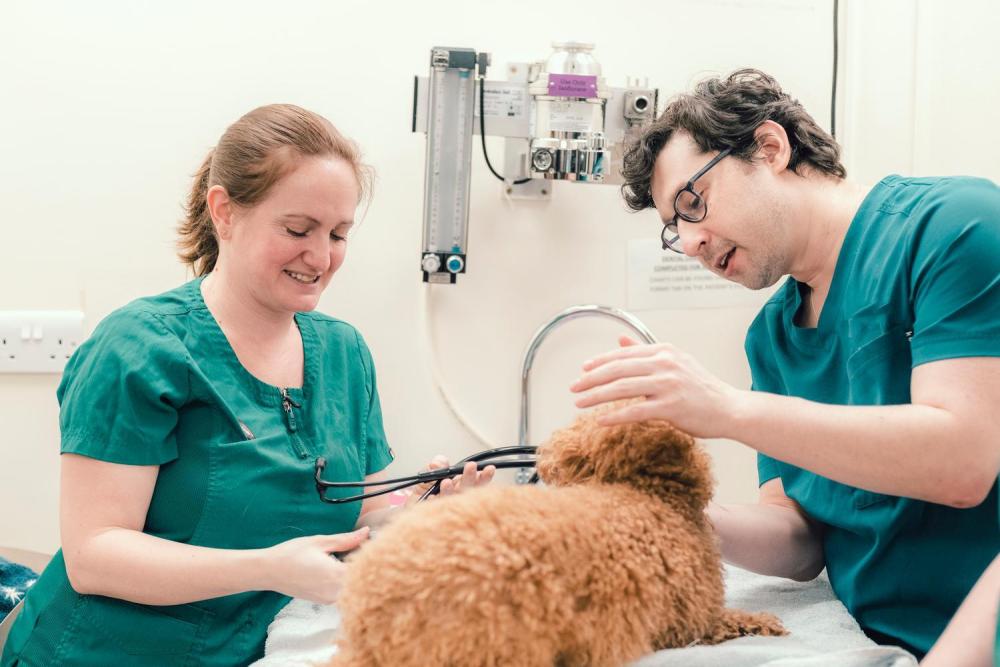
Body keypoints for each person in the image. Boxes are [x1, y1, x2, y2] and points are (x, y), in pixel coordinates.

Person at [0, 104, 494, 666]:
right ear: (225, 212)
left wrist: (427, 512)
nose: (321, 256)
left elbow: (362, 506)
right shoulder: (140, 349)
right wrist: (269, 567)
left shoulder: (343, 352)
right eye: (297, 229)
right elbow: (95, 557)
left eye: (338, 233)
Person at [569, 69, 1000, 660]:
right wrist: (671, 511)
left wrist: (728, 410)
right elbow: (801, 543)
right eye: (674, 229)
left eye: (692, 203)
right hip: (875, 638)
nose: (690, 242)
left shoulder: (953, 227)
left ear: (770, 147)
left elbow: (963, 463)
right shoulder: (772, 336)